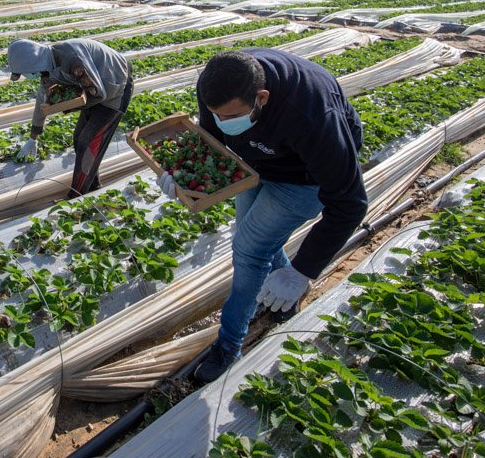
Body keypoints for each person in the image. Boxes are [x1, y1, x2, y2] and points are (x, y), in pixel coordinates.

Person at [157, 49, 367, 382]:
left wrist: (302, 271)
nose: (223, 122)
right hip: (255, 164)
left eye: (231, 116)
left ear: (262, 97)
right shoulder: (216, 84)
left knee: (249, 250)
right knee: (251, 237)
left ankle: (229, 345)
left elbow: (350, 203)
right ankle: (281, 301)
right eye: (216, 114)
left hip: (304, 177)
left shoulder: (312, 116)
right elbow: (211, 140)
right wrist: (180, 173)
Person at [8, 38, 133, 199]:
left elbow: (98, 94)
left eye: (24, 72)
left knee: (88, 142)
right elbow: (42, 100)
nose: (26, 76)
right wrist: (33, 137)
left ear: (33, 63)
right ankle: (93, 186)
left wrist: (66, 106)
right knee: (78, 138)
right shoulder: (47, 67)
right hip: (96, 87)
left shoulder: (72, 61)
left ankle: (76, 197)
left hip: (116, 86)